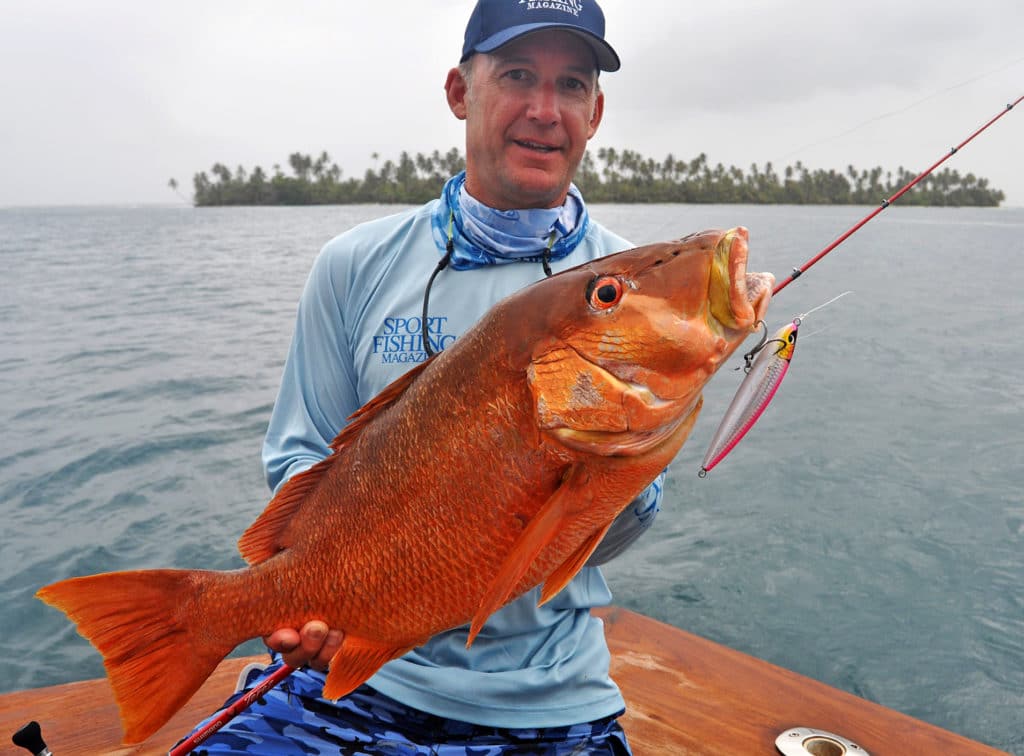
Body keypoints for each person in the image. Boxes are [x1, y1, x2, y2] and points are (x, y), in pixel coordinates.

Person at [187, 1, 665, 752]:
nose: (545, 110)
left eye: (571, 85)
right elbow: (300, 454)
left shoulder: (631, 290)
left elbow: (599, 539)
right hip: (357, 677)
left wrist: (620, 473)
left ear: (595, 111)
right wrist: (313, 595)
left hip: (548, 696)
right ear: (458, 92)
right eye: (516, 75)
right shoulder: (354, 264)